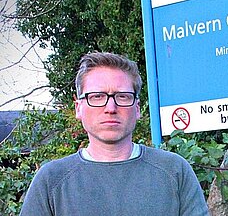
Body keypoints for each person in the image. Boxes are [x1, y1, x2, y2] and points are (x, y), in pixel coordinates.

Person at [20, 52, 210, 216]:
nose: (110, 107)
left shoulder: (175, 171)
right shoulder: (51, 180)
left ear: (137, 108)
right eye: (97, 96)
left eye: (122, 96)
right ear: (78, 108)